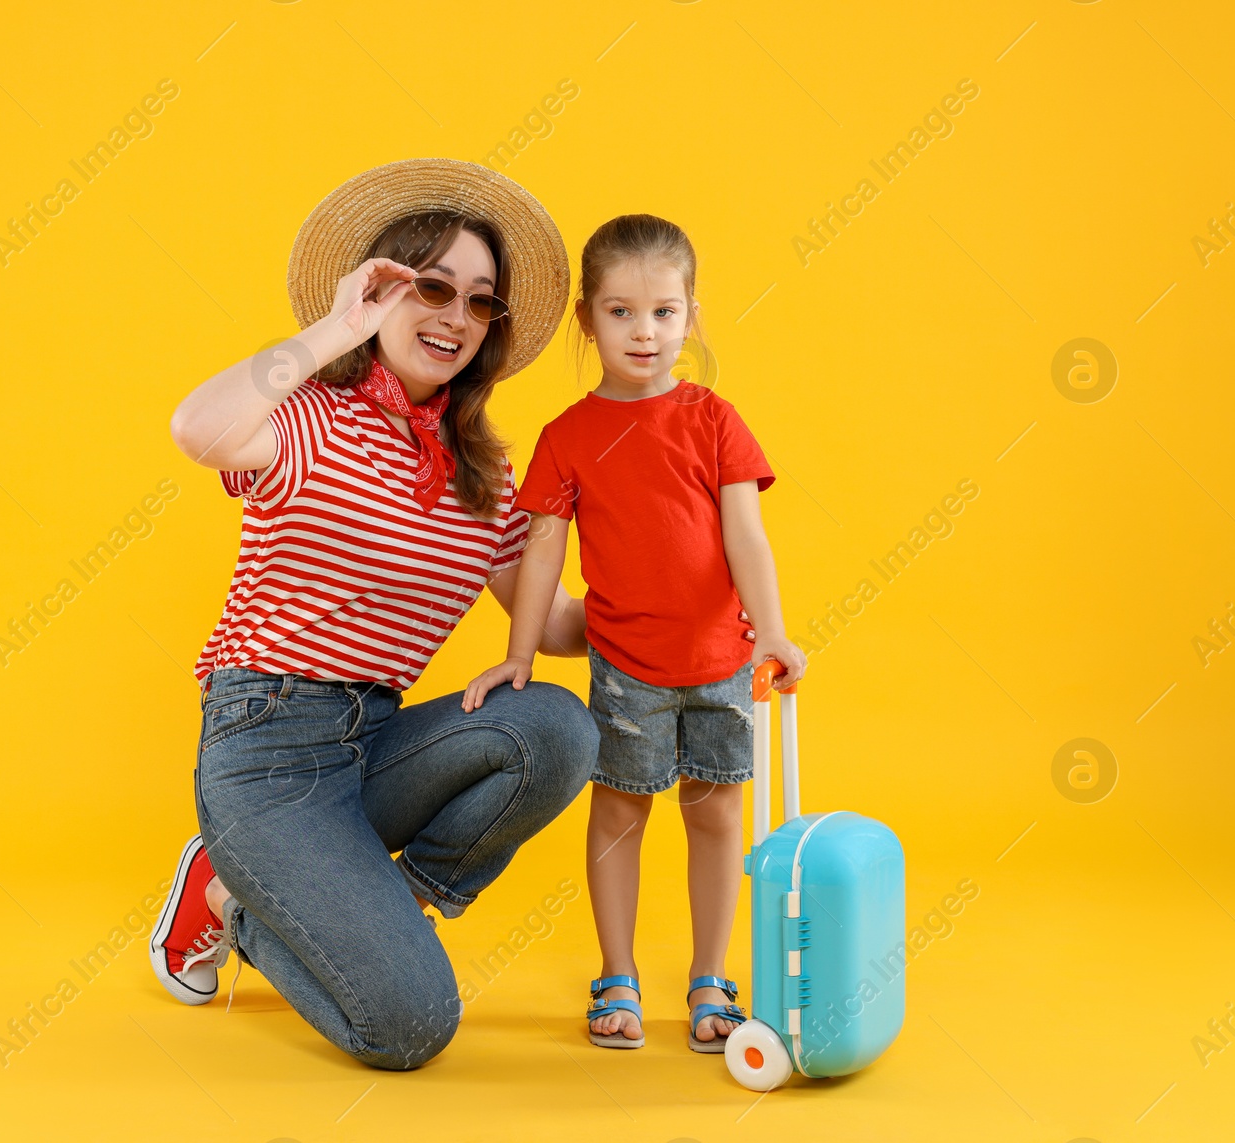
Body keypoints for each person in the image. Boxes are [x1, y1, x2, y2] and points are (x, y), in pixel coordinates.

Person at [146, 159, 599, 1070]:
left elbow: (549, 626)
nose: (455, 319)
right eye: (432, 288)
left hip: (376, 747)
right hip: (265, 751)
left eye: (481, 304)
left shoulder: (482, 472)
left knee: (555, 723)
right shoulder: (309, 415)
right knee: (409, 1028)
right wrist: (334, 328)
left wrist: (679, 590)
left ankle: (358, 905)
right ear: (381, 290)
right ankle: (233, 894)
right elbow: (197, 427)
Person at [463, 214, 807, 1053]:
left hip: (721, 659)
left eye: (662, 311)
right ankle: (616, 973)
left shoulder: (715, 420)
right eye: (620, 312)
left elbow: (746, 538)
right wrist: (518, 652)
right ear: (588, 319)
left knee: (717, 814)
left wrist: (775, 634)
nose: (643, 332)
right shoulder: (567, 436)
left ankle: (710, 979)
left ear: (691, 314)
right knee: (620, 812)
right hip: (625, 666)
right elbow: (542, 550)